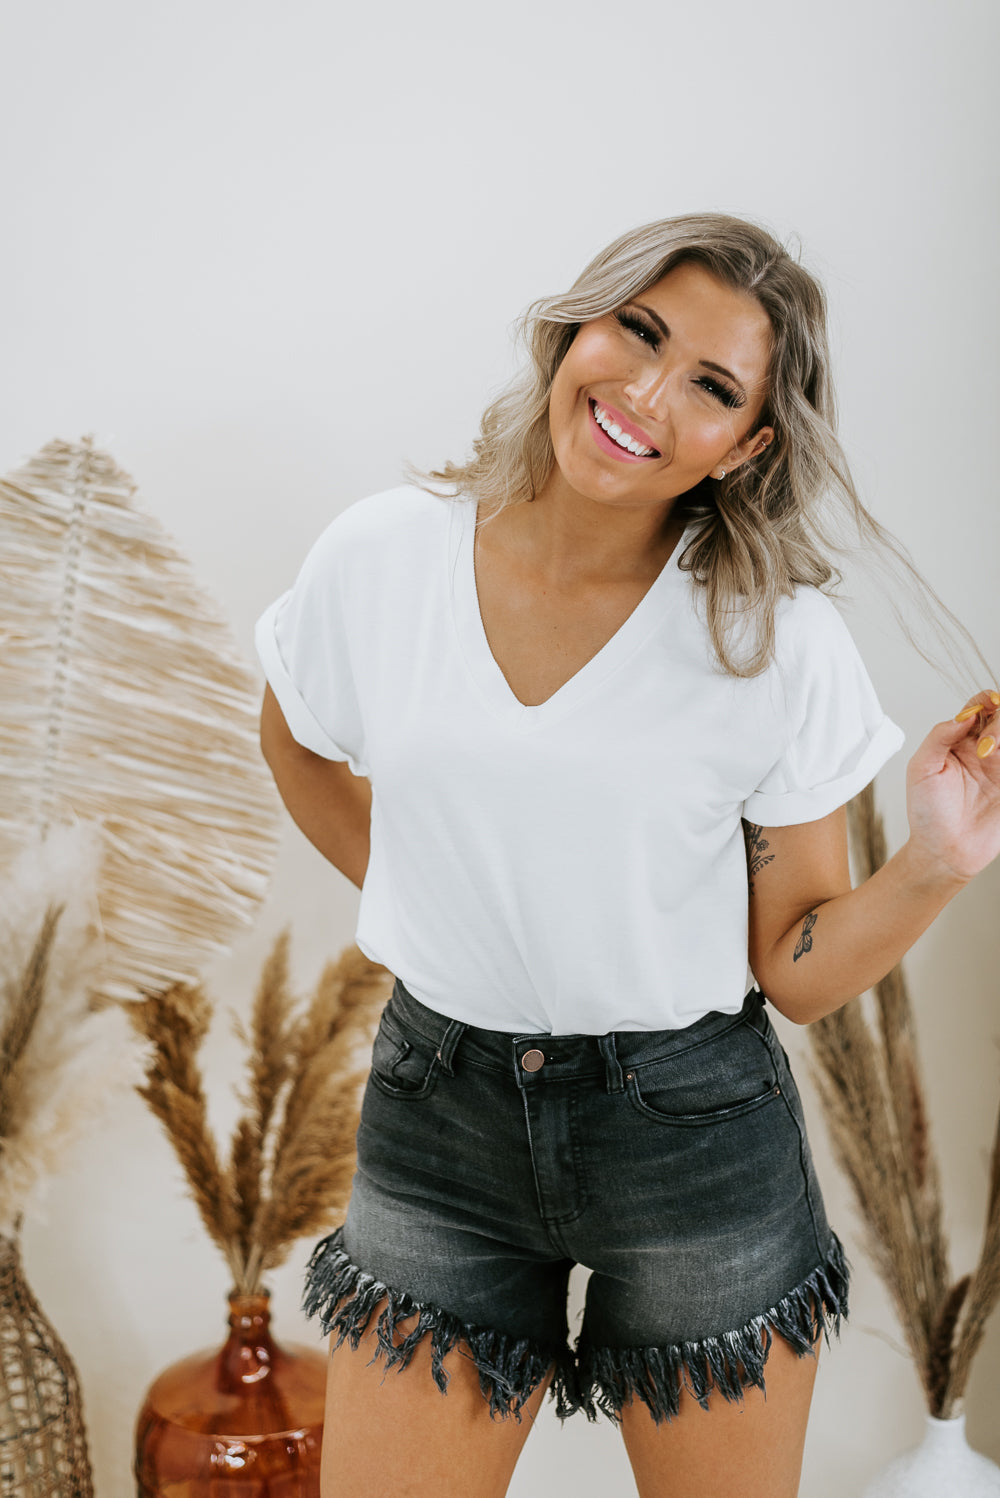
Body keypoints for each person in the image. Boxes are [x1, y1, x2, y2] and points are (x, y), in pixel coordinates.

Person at [255, 213, 1000, 1498]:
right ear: (572, 329)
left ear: (748, 444)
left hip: (690, 1138)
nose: (646, 394)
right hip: (440, 1120)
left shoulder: (773, 639)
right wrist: (443, 897)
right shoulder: (383, 554)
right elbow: (298, 742)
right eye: (637, 332)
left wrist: (933, 859)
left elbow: (797, 968)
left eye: (710, 386)